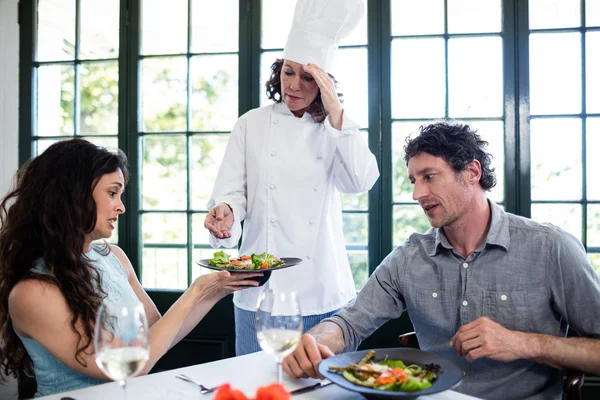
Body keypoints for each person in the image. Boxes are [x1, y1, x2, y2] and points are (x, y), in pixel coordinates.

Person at [282, 121, 600, 400]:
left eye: (429, 177)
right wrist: (314, 341)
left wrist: (524, 343)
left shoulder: (551, 248)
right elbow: (348, 322)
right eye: (413, 180)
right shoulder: (408, 257)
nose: (417, 193)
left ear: (472, 172)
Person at [0, 139, 262, 397]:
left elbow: (159, 336)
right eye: (112, 193)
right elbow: (122, 368)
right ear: (72, 194)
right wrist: (196, 291)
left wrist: (214, 291)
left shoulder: (114, 257)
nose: (121, 207)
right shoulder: (33, 291)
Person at [204, 0, 379, 356]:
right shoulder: (250, 124)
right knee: (255, 389)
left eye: (308, 77)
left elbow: (361, 180)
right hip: (260, 294)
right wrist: (225, 213)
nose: (294, 85)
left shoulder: (336, 129)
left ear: (325, 83)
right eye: (288, 72)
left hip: (323, 291)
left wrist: (336, 112)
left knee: (322, 393)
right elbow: (232, 194)